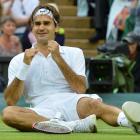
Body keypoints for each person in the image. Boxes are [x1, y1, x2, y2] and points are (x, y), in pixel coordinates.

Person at [2, 4, 140, 134]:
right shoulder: (18, 60)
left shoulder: (74, 52)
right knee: (9, 113)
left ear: (56, 27)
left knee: (94, 104)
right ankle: (73, 126)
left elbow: (80, 89)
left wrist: (58, 58)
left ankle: (131, 122)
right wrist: (25, 65)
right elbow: (11, 101)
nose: (41, 27)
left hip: (72, 103)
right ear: (31, 27)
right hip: (40, 110)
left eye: (46, 23)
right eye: (37, 23)